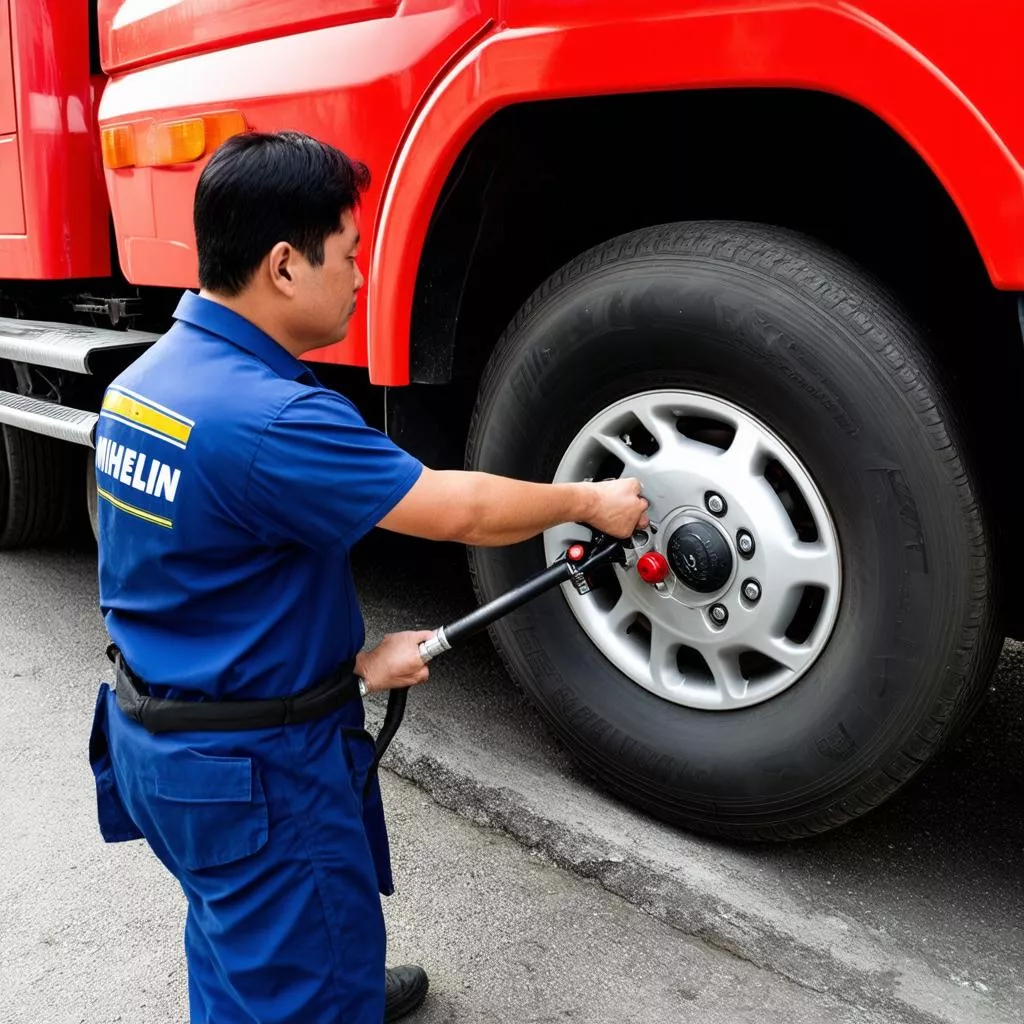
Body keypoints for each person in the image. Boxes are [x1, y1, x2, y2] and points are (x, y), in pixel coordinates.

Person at [87, 130, 649, 1024]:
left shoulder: (147, 384)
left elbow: (184, 583)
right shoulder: (274, 418)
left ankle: (297, 976)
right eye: (349, 256)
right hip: (255, 772)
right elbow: (452, 509)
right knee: (304, 974)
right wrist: (589, 499)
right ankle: (320, 989)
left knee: (228, 927)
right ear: (282, 266)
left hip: (158, 749)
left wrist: (346, 671)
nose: (361, 276)